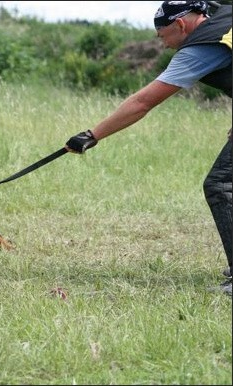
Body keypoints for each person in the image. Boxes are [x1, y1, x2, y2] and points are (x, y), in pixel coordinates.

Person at [65, 0, 232, 296]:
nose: (164, 45)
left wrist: (92, 135)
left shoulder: (200, 47)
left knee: (220, 184)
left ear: (181, 25)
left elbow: (143, 103)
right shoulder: (224, 16)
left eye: (162, 37)